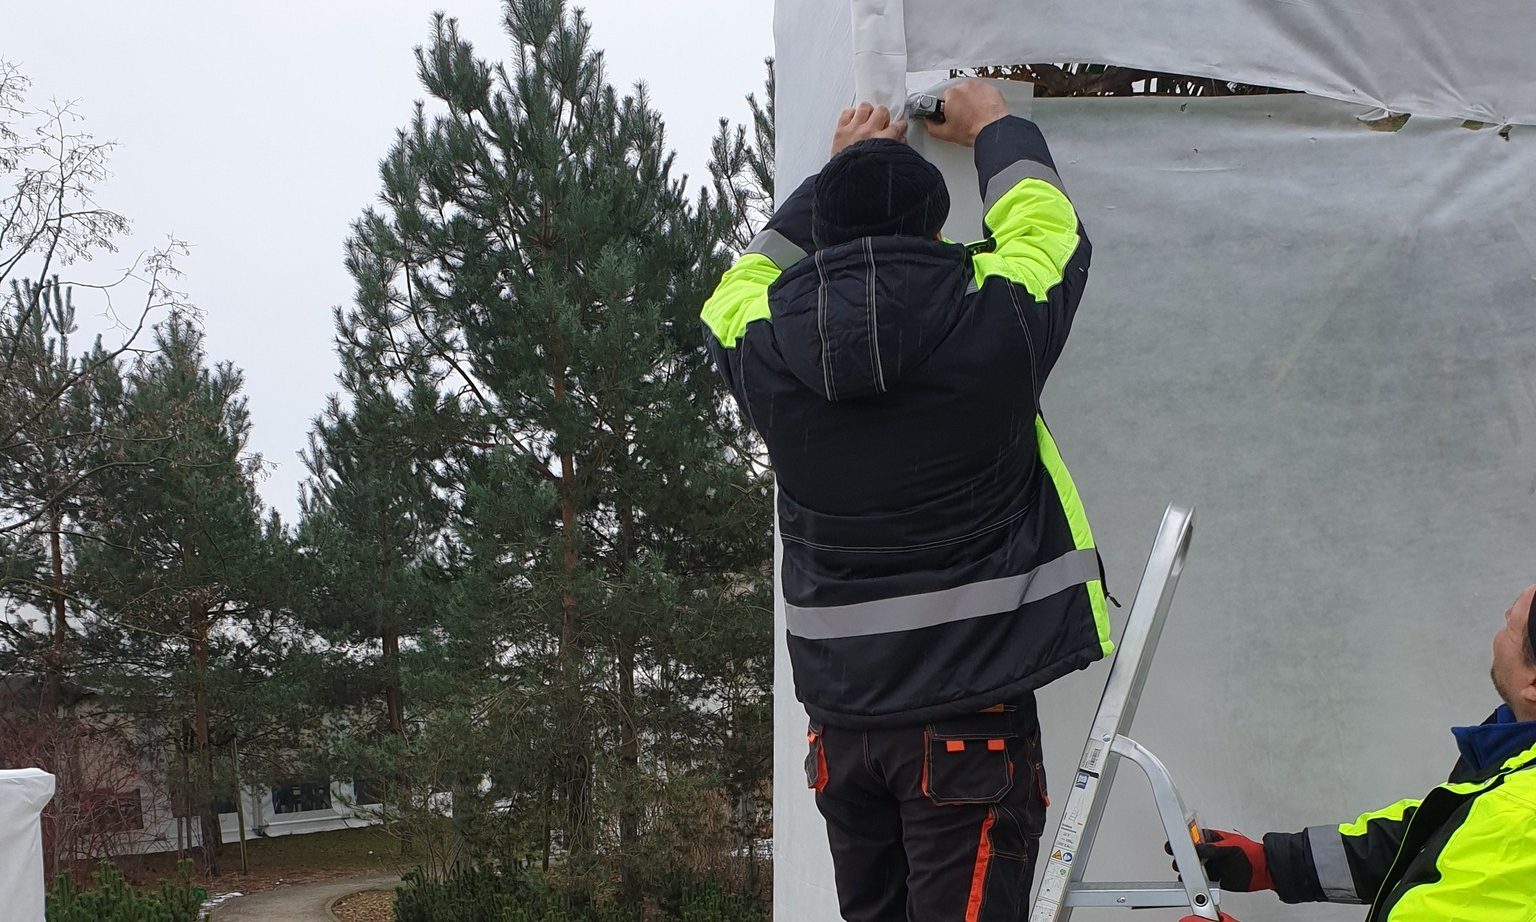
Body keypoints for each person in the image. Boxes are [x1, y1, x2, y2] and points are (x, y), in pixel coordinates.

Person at [701, 80, 1109, 921]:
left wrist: (838, 173)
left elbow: (733, 290)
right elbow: (1047, 231)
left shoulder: (763, 345)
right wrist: (996, 127)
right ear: (935, 229)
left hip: (845, 728)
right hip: (967, 715)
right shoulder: (994, 313)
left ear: (826, 233)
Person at [1176, 584, 1536, 922]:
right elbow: (1429, 839)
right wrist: (1275, 863)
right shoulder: (1514, 754)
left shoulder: (1519, 818)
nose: (1500, 626)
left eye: (1511, 625)